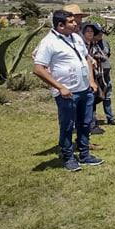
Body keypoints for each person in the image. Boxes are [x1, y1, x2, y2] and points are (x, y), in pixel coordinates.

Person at [33, 10, 103, 171]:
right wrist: (60, 87)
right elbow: (38, 68)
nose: (75, 24)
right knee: (67, 126)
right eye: (71, 22)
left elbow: (86, 59)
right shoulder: (49, 42)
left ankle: (85, 155)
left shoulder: (76, 37)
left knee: (85, 124)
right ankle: (68, 157)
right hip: (67, 93)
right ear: (60, 25)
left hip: (85, 90)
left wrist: (91, 80)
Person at [93, 26, 115, 125]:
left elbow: (108, 55)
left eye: (101, 32)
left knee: (107, 96)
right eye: (98, 32)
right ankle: (93, 120)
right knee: (95, 97)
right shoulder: (91, 43)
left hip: (106, 73)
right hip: (96, 74)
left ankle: (110, 117)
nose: (100, 34)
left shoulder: (105, 43)